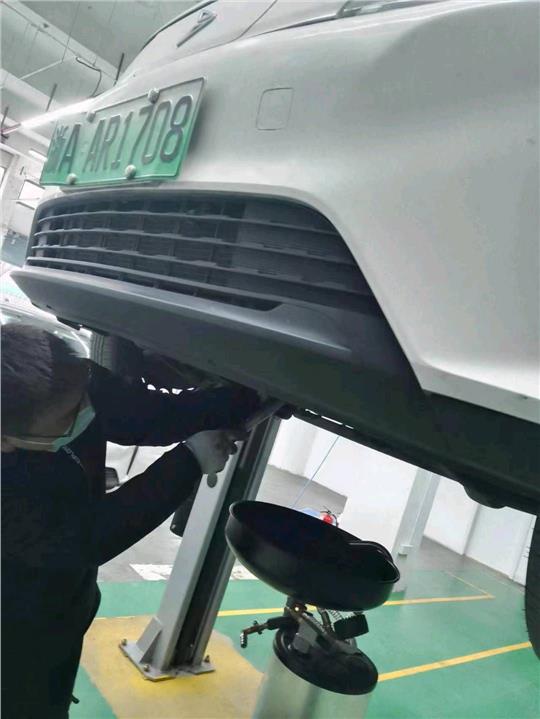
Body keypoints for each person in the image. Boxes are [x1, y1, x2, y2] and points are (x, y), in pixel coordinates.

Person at [1, 323, 262, 719]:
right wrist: (189, 460)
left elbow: (146, 414)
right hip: (18, 626)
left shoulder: (68, 381)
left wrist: (244, 398)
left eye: (84, 399)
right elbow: (87, 536)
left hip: (65, 606)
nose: (87, 412)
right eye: (69, 418)